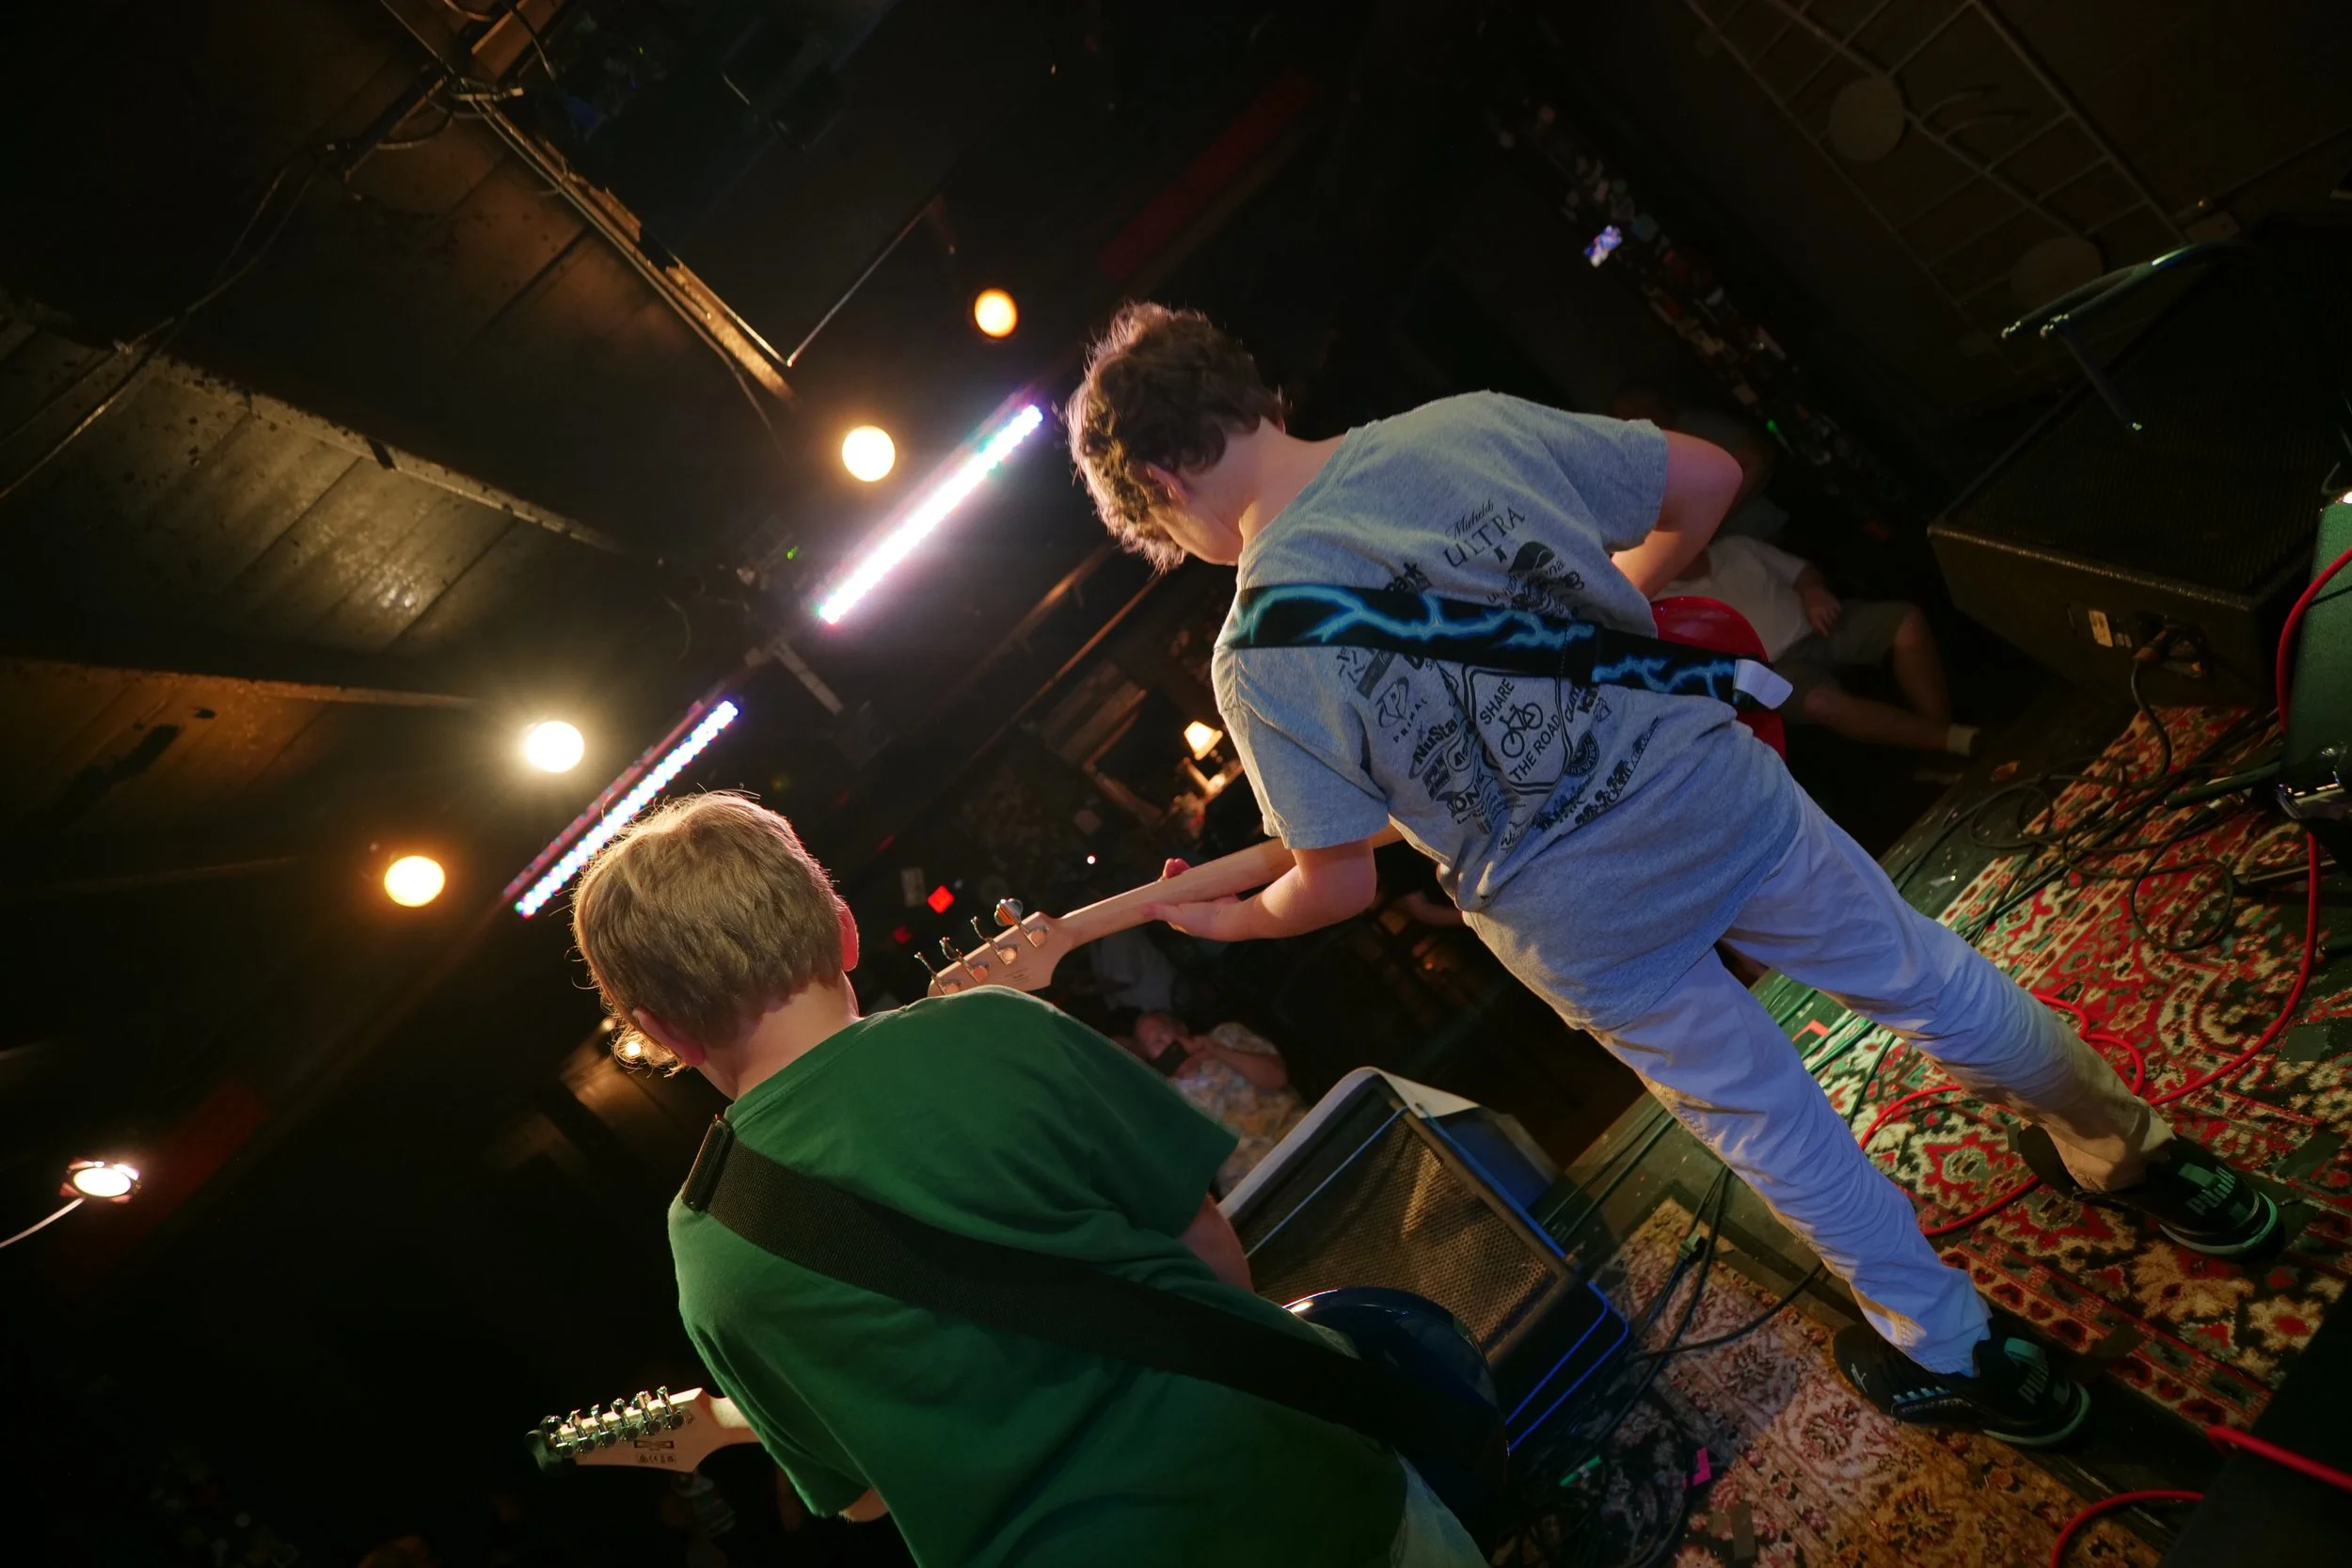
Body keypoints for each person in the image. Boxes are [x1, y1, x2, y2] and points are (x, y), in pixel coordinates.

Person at [1064, 303, 2278, 1449]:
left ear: (1163, 483)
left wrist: (1224, 917)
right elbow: (1706, 481)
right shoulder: (1460, 426)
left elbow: (1331, 885)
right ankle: (2150, 1159)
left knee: (1777, 1127)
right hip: (1710, 793)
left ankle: (1967, 1354)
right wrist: (1609, 606)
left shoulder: (1257, 650)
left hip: (1584, 920)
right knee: (1931, 981)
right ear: (1244, 394)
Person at [568, 792, 1485, 1568]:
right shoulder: (994, 1028)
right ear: (841, 928)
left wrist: (738, 1425)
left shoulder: (708, 1245)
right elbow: (1209, 1250)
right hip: (1294, 1485)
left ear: (662, 1033)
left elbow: (861, 1499)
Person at [1659, 534, 1975, 758]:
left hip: (1818, 627)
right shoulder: (1667, 605)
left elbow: (1802, 573)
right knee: (1822, 703)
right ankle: (1955, 741)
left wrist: (1814, 592)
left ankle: (1940, 743)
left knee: (1907, 622)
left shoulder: (1737, 548)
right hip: (1772, 671)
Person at [1128, 1010, 1308, 1193]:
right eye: (1152, 1043)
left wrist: (1216, 1051)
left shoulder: (1226, 1035)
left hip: (1297, 1134)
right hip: (1249, 1179)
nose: (1162, 1043)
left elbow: (1277, 1077)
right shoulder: (1165, 1097)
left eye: (1163, 1032)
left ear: (1181, 1029)